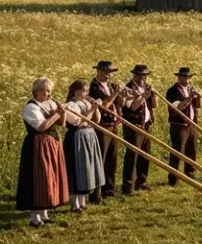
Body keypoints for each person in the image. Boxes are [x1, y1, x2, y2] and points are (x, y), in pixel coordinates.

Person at [16, 78, 68, 227]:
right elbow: (41, 126)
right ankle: (34, 218)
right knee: (38, 179)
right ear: (35, 91)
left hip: (51, 145)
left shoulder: (49, 104)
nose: (47, 94)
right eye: (44, 91)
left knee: (49, 179)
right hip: (37, 146)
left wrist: (62, 113)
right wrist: (57, 114)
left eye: (49, 91)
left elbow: (62, 124)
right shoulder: (31, 107)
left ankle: (44, 214)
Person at [61, 80, 105, 212]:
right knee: (77, 168)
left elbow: (97, 120)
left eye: (86, 91)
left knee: (87, 168)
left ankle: (83, 201)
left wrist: (95, 108)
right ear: (75, 91)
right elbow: (80, 122)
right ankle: (75, 203)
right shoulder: (70, 105)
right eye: (82, 91)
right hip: (77, 137)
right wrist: (92, 109)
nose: (85, 93)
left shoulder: (86, 102)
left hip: (89, 136)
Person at [119, 64, 156, 195]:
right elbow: (133, 107)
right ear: (134, 75)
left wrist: (152, 95)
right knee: (132, 155)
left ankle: (141, 182)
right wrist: (144, 96)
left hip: (145, 125)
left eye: (144, 76)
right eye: (140, 76)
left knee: (145, 154)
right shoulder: (128, 88)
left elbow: (153, 106)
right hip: (133, 126)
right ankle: (128, 185)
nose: (142, 78)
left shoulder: (146, 88)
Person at [87, 60, 121, 202]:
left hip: (113, 125)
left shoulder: (110, 86)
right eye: (106, 73)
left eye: (110, 73)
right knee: (100, 159)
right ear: (99, 72)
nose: (109, 75)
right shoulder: (93, 87)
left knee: (112, 159)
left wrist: (122, 95)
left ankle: (109, 189)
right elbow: (105, 105)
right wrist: (116, 93)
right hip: (101, 126)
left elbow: (119, 104)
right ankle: (95, 193)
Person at [165, 67, 201, 186]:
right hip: (178, 125)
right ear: (179, 77)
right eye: (184, 77)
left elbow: (197, 107)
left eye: (188, 77)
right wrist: (189, 98)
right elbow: (177, 108)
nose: (187, 79)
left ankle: (190, 174)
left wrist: (198, 97)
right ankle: (173, 178)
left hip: (192, 124)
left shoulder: (191, 89)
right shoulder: (172, 91)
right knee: (178, 151)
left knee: (192, 150)